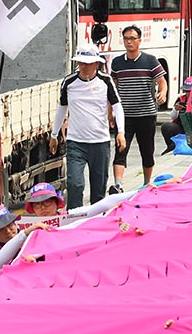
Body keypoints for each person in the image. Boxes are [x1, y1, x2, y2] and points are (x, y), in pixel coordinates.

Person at [50, 45, 125, 210]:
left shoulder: (105, 81)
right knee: (75, 185)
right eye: (80, 63)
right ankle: (73, 221)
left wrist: (121, 132)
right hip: (76, 142)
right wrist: (54, 135)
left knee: (98, 191)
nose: (83, 66)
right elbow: (62, 107)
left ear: (96, 64)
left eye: (87, 63)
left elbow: (117, 105)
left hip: (100, 142)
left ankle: (96, 222)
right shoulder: (69, 82)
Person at [108, 26, 167, 193]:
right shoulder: (117, 62)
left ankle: (147, 183)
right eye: (126, 38)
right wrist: (110, 112)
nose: (129, 42)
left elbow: (162, 82)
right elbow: (113, 89)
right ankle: (118, 185)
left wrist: (162, 93)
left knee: (147, 151)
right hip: (124, 115)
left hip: (146, 114)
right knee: (120, 149)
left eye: (132, 38)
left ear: (139, 40)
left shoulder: (150, 60)